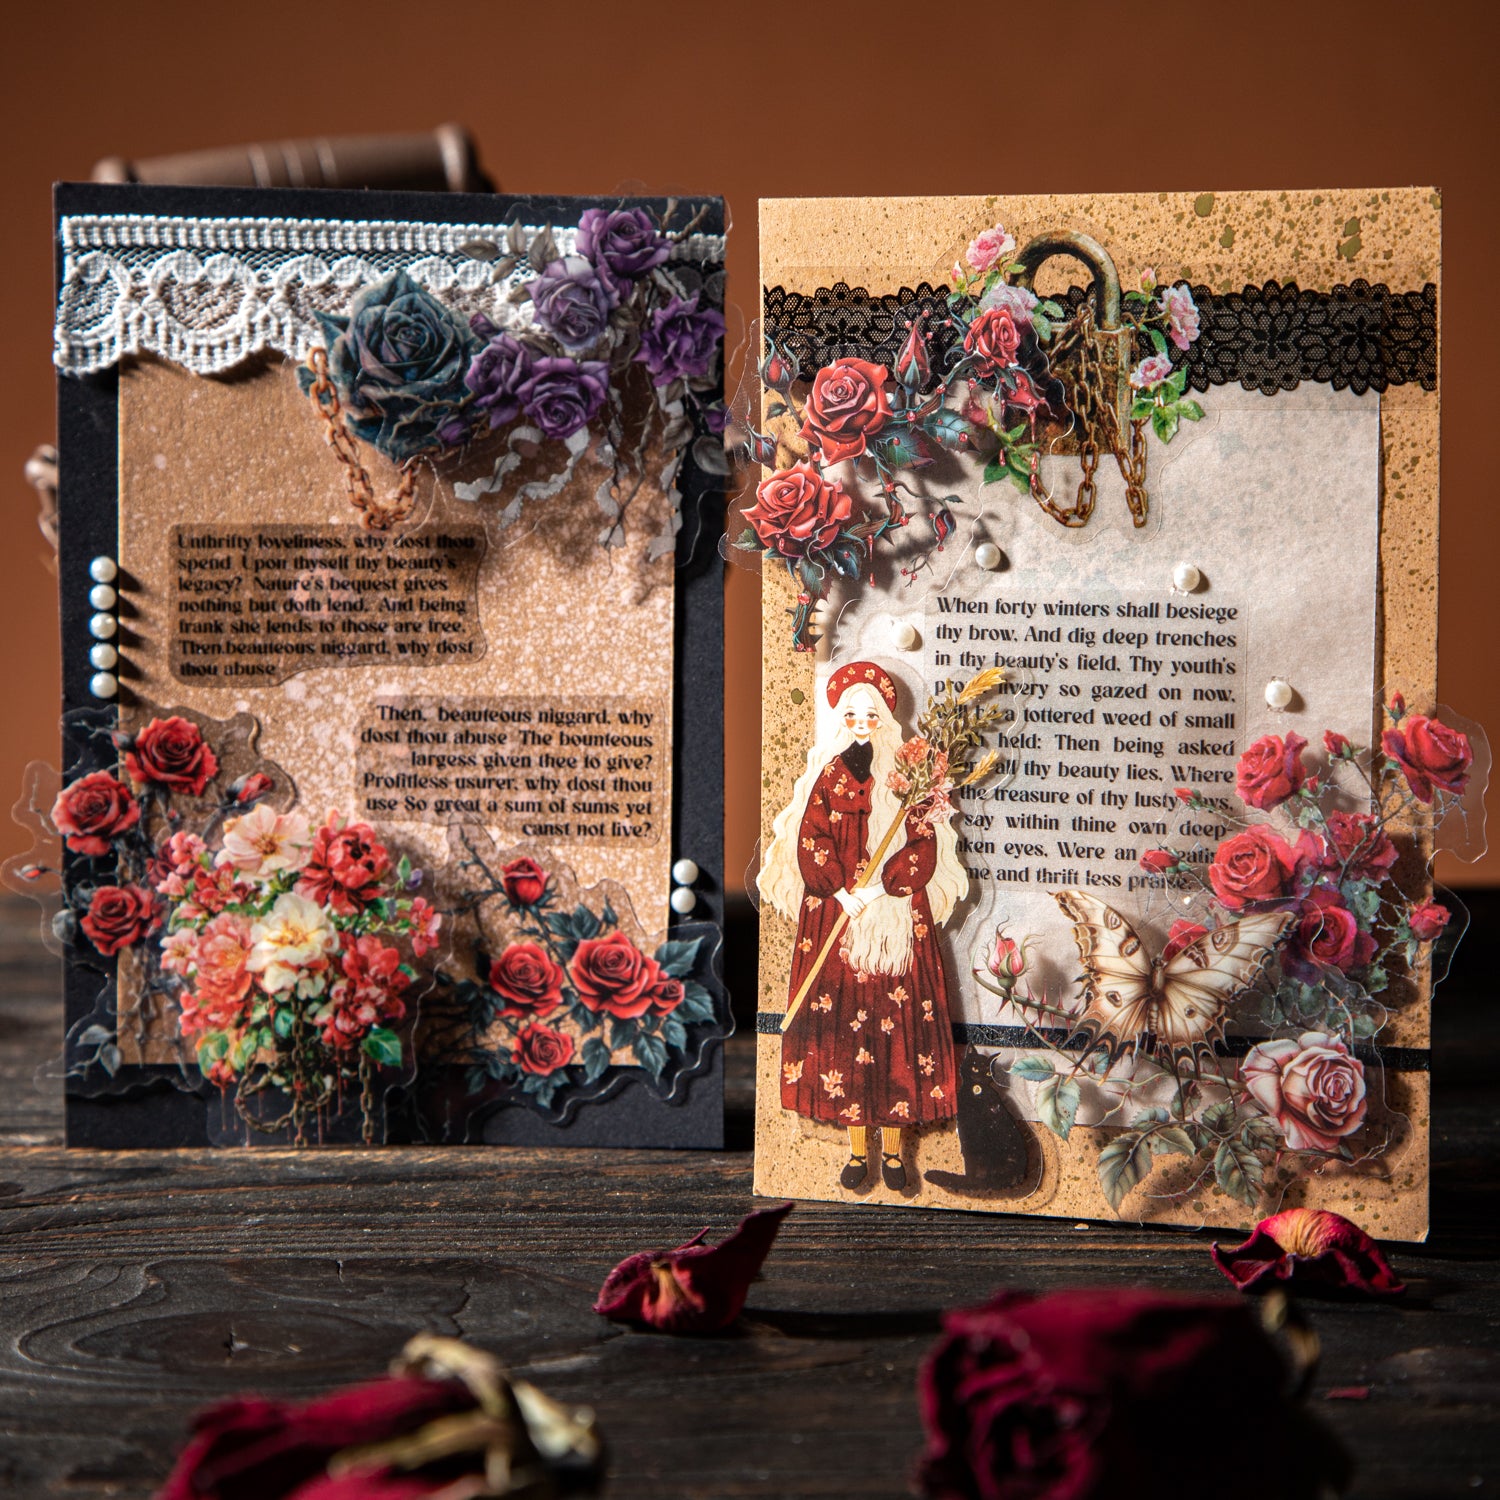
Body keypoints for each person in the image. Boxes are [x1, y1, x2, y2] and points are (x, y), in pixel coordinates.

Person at [759, 660, 966, 1191]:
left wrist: (883, 888)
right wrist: (838, 890)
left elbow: (922, 844)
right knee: (844, 1031)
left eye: (869, 714)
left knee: (895, 1028)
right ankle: (856, 1151)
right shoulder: (829, 776)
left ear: (884, 719)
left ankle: (894, 1152)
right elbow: (812, 836)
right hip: (840, 913)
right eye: (850, 714)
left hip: (893, 913)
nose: (860, 722)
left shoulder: (907, 778)